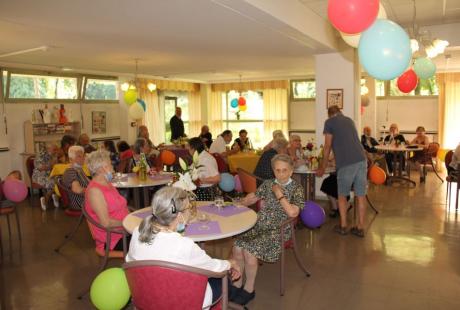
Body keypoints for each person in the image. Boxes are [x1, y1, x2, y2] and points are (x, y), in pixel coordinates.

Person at [126, 186, 241, 309]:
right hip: (184, 301)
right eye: (188, 208)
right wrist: (231, 263)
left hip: (147, 296)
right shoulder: (184, 246)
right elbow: (214, 268)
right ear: (179, 216)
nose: (190, 212)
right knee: (224, 279)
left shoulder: (138, 232)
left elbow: (130, 261)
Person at [232, 154, 304, 305]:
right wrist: (241, 202)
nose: (281, 174)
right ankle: (237, 284)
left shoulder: (297, 188)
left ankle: (249, 289)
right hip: (260, 223)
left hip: (279, 229)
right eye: (277, 170)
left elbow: (292, 213)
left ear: (291, 171)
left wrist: (279, 194)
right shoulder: (268, 183)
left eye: (285, 170)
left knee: (249, 250)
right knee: (237, 246)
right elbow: (254, 197)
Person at [317, 105, 367, 237]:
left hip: (346, 163)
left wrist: (322, 166)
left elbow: (327, 146)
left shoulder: (329, 122)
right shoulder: (349, 120)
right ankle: (360, 228)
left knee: (342, 195)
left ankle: (343, 226)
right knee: (360, 195)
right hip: (362, 160)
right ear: (340, 112)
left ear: (329, 115)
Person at [85, 150, 130, 251]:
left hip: (124, 231)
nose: (113, 168)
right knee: (153, 242)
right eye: (110, 164)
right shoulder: (94, 191)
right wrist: (128, 222)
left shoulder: (107, 183)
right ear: (102, 169)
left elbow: (122, 206)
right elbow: (106, 223)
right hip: (113, 238)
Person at [62, 146, 90, 211]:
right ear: (71, 159)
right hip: (80, 202)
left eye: (83, 156)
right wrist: (94, 191)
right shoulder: (70, 171)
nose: (83, 158)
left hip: (85, 199)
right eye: (79, 156)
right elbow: (77, 190)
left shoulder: (79, 169)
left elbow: (90, 183)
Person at [32, 143, 59, 211]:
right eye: (54, 150)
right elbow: (41, 168)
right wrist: (51, 164)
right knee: (52, 182)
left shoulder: (53, 155)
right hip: (39, 175)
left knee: (60, 180)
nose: (56, 151)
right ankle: (46, 199)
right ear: (48, 149)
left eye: (56, 149)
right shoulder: (40, 155)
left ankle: (50, 196)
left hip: (50, 174)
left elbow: (55, 165)